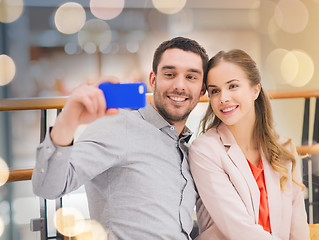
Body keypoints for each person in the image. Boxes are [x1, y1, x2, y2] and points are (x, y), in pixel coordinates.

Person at [32, 36, 208, 240]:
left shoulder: (188, 151)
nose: (179, 85)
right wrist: (68, 121)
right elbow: (47, 187)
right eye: (169, 74)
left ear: (202, 89)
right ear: (153, 80)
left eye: (191, 77)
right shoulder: (118, 125)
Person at [188, 49, 310, 240]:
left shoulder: (284, 149)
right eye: (215, 91)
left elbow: (298, 227)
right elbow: (239, 231)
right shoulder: (204, 150)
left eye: (233, 86)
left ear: (256, 90)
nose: (223, 98)